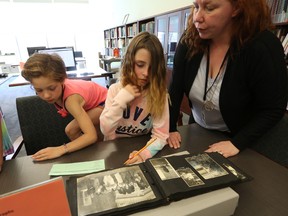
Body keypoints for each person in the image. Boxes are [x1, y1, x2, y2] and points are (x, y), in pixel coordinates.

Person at [167, 0, 288, 158]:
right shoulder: (190, 39)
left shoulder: (262, 47)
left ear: (237, 8)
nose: (197, 17)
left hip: (241, 139)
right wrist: (169, 128)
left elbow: (274, 108)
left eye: (209, 8)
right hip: (198, 129)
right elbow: (175, 89)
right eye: (196, 7)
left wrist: (237, 143)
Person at [100, 31, 178, 165]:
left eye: (152, 67)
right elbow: (106, 129)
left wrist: (143, 154)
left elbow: (160, 135)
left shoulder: (159, 94)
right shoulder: (115, 90)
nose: (146, 73)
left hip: (142, 147)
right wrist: (121, 100)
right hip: (113, 150)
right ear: (130, 62)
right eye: (140, 65)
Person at [22, 53, 107, 161]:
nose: (46, 95)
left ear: (62, 80)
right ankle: (95, 154)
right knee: (92, 135)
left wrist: (60, 149)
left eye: (51, 88)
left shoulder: (71, 100)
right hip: (93, 104)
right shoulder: (58, 88)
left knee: (72, 130)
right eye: (39, 90)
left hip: (106, 103)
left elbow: (91, 136)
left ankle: (94, 156)